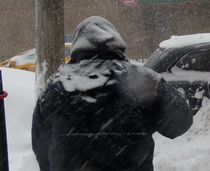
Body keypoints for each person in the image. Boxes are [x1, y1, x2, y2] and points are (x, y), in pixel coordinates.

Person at [32, 16, 193, 171]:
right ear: (118, 45)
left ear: (77, 47)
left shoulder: (54, 88)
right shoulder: (145, 81)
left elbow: (41, 147)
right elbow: (180, 124)